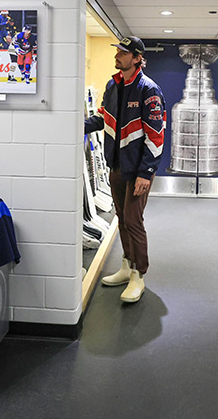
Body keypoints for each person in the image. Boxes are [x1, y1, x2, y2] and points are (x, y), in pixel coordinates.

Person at [84, 36, 165, 303]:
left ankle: (138, 276)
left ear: (137, 58)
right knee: (121, 217)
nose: (117, 55)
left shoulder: (149, 90)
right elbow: (104, 118)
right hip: (117, 164)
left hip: (139, 168)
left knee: (133, 219)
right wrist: (76, 123)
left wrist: (146, 172)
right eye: (117, 51)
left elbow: (156, 137)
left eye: (123, 52)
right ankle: (126, 265)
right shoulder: (113, 85)